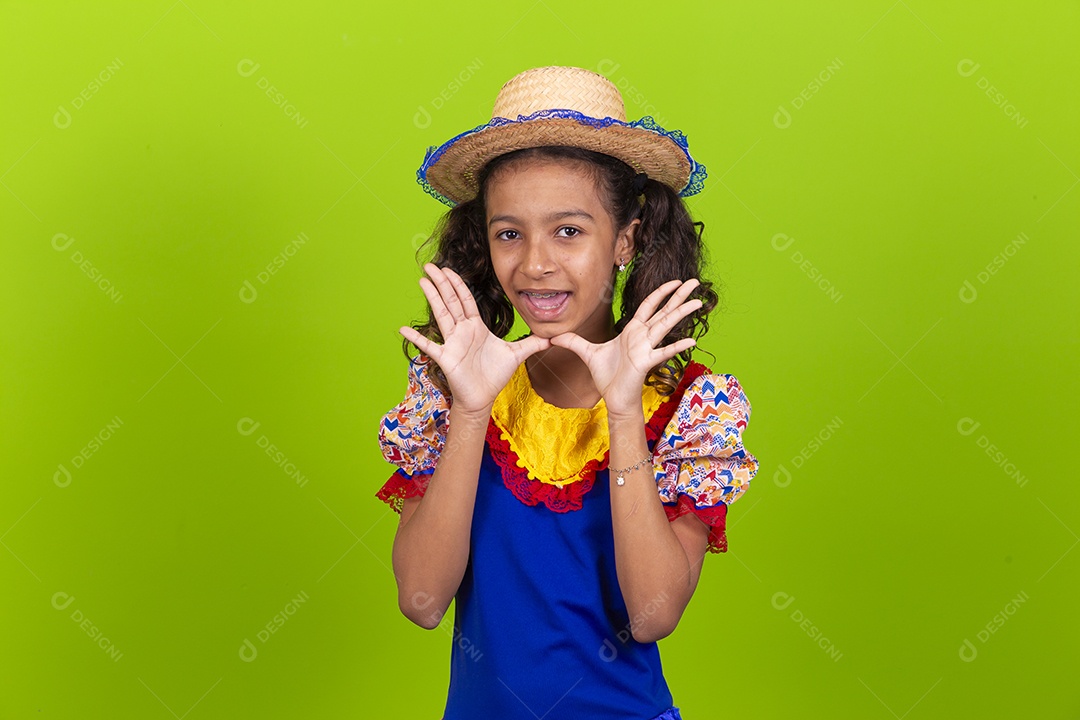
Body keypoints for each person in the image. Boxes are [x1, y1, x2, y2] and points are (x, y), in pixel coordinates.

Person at [376, 65, 760, 720]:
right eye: (509, 233)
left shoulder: (689, 408)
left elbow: (653, 614)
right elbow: (422, 602)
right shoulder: (457, 389)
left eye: (569, 231)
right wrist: (470, 410)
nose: (535, 264)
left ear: (626, 242)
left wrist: (623, 407)